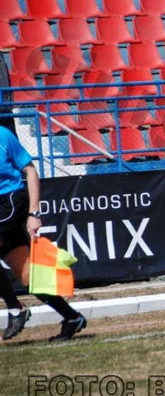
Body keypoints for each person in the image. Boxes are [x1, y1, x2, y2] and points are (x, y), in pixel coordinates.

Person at [0, 126, 87, 341]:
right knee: (30, 278)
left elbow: (30, 171)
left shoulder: (3, 136)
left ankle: (15, 309)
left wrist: (33, 212)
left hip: (10, 201)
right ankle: (72, 317)